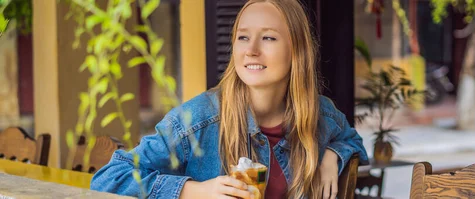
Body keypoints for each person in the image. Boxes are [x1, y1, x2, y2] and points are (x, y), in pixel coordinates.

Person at [90, 0, 368, 198]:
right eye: (243, 37)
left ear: (298, 51)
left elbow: (354, 142)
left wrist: (333, 156)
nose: (251, 50)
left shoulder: (321, 114)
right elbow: (110, 177)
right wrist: (194, 191)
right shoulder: (197, 120)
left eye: (269, 38)